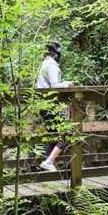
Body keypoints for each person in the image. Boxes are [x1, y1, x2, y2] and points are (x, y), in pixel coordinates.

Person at [35, 41, 72, 172]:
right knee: (67, 132)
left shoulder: (43, 63)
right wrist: (67, 85)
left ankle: (46, 164)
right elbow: (55, 85)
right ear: (56, 53)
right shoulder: (51, 64)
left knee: (53, 134)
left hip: (43, 103)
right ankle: (49, 161)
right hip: (49, 104)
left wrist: (65, 83)